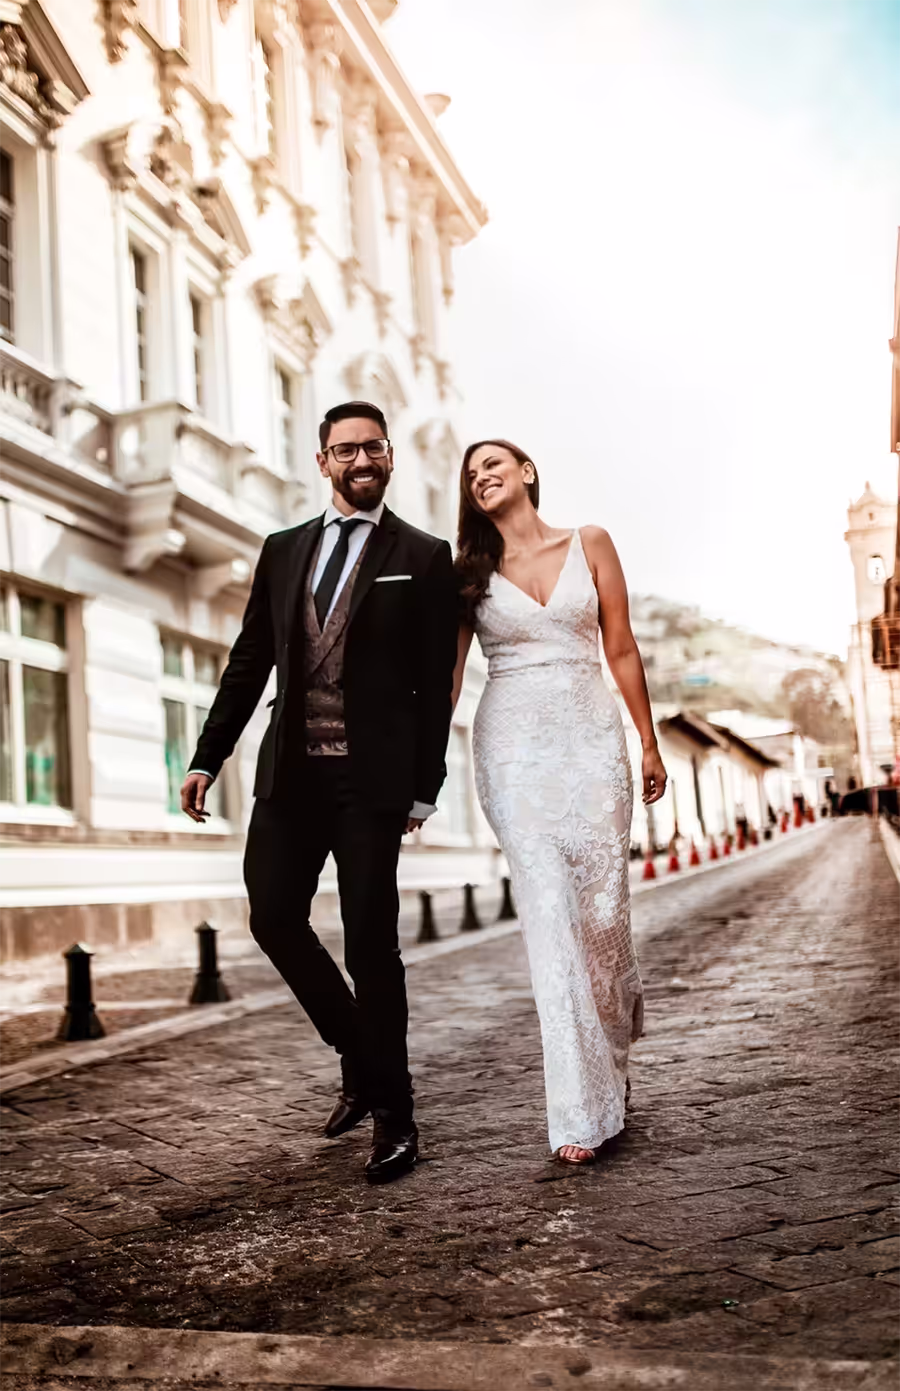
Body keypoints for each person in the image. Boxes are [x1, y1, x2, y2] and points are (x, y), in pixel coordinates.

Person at [180, 401, 458, 1184]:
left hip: (371, 783)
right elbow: (249, 660)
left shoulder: (424, 554)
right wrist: (209, 756)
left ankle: (396, 1118)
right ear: (322, 460)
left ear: (391, 456)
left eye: (373, 447)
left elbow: (435, 687)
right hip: (291, 774)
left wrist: (425, 787)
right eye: (345, 450)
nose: (360, 460)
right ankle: (362, 1058)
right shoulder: (283, 550)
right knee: (272, 915)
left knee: (373, 946)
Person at [453, 439, 666, 1166]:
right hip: (512, 748)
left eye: (494, 465)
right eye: (472, 473)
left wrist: (648, 739)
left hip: (592, 741)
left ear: (527, 472)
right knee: (548, 909)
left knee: (602, 913)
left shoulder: (592, 541)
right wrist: (420, 770)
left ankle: (612, 1057)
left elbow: (623, 647)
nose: (483, 477)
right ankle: (580, 1107)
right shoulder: (468, 575)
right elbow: (451, 680)